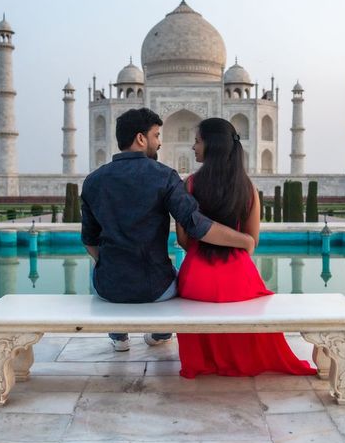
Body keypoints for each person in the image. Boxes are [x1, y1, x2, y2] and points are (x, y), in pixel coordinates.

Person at [81, 108, 254, 352]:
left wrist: (112, 263)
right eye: (156, 135)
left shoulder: (93, 180)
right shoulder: (164, 176)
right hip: (156, 288)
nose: (160, 142)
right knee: (176, 277)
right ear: (141, 139)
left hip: (108, 286)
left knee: (111, 273)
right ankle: (160, 333)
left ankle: (119, 335)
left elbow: (89, 239)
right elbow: (197, 225)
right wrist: (243, 240)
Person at [176, 117, 316, 378]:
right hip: (238, 275)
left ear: (212, 146)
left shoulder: (190, 185)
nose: (192, 147)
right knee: (254, 302)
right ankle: (241, 359)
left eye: (196, 141)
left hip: (197, 275)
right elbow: (252, 241)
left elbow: (183, 240)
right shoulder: (247, 187)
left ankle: (204, 361)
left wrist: (203, 244)